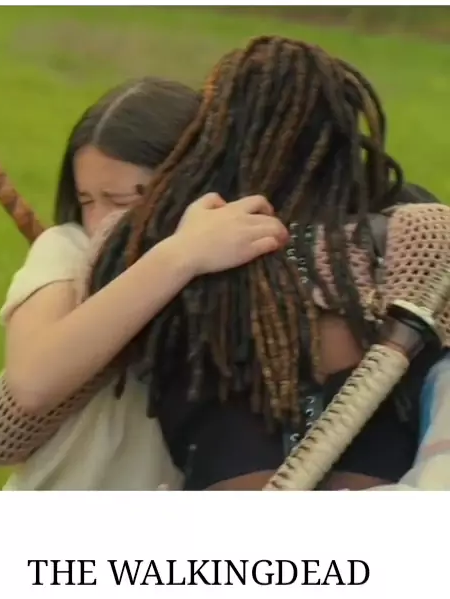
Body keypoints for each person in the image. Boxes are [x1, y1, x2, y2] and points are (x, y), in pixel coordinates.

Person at [83, 36, 449, 492]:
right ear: (344, 133)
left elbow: (14, 421)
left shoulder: (144, 241)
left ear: (213, 131)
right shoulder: (415, 236)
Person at [0, 75, 288, 490]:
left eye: (121, 201)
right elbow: (31, 383)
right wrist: (180, 255)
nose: (100, 220)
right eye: (86, 200)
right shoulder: (68, 250)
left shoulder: (243, 264)